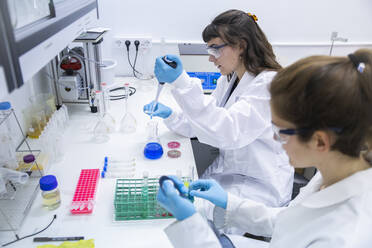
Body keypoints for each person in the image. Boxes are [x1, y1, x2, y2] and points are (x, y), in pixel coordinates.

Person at [157, 49, 372, 248]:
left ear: (320, 142)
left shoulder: (343, 237)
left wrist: (189, 224)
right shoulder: (335, 174)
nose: (274, 139)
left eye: (281, 132)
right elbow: (287, 221)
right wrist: (227, 202)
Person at [144, 9, 293, 212]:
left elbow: (228, 131)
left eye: (215, 49)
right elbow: (204, 123)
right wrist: (171, 115)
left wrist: (182, 81)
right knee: (172, 205)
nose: (211, 58)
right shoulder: (230, 79)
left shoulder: (269, 85)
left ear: (241, 46)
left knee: (184, 215)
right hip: (229, 175)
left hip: (258, 187)